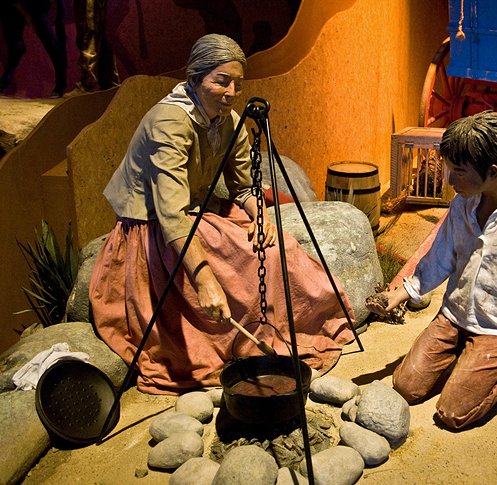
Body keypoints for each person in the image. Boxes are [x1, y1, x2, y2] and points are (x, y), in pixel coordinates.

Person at [89, 34, 355, 395]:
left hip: (198, 211)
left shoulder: (228, 120)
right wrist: (203, 279)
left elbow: (244, 187)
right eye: (221, 81)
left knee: (279, 249)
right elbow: (171, 214)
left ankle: (284, 329)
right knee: (235, 269)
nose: (231, 92)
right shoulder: (169, 124)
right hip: (156, 228)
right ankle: (241, 345)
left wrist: (260, 216)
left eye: (238, 83)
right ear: (195, 79)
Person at [367, 111, 497, 430]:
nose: (450, 181)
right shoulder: (463, 204)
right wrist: (400, 293)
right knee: (405, 387)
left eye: (458, 172)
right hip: (455, 315)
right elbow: (440, 255)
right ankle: (467, 361)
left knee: (452, 413)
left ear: (493, 171)